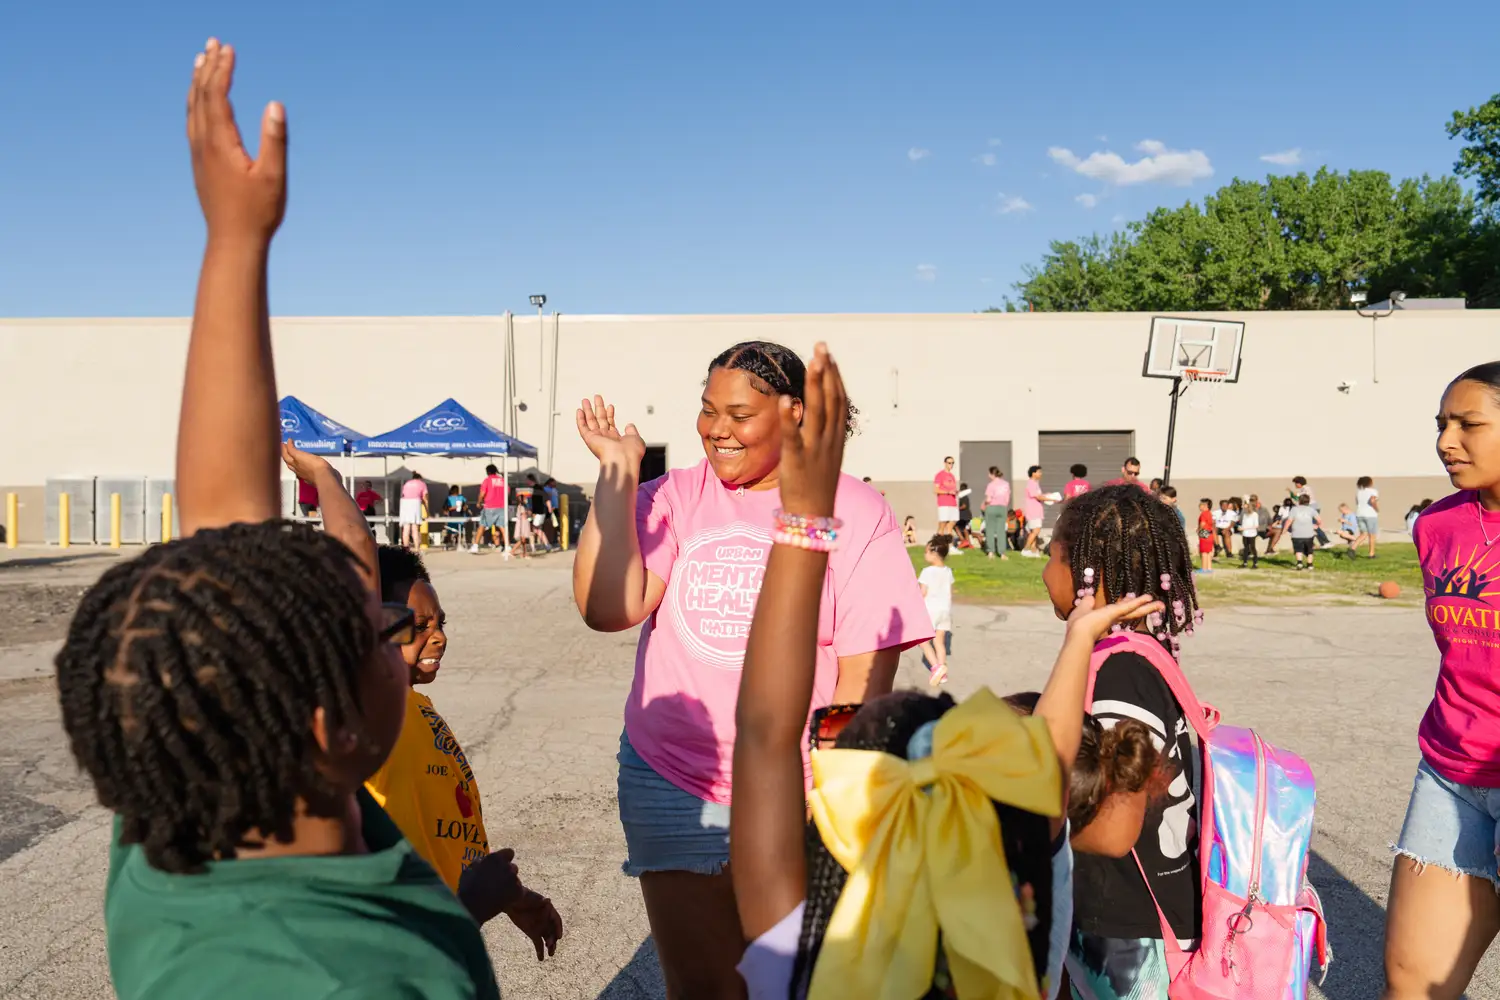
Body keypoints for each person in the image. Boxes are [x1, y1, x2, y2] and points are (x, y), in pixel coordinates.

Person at [54, 41, 500, 998]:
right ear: (327, 720)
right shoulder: (340, 980)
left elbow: (222, 531)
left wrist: (236, 242)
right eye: (381, 630)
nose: (402, 632)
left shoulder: (182, 825)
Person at [727, 342, 1163, 1000]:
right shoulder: (1025, 950)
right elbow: (1049, 755)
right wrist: (1079, 637)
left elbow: (763, 730)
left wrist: (802, 519)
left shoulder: (798, 943)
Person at [571, 340, 931, 998]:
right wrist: (617, 480)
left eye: (739, 413)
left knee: (798, 982)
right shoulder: (677, 496)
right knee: (703, 986)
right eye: (708, 411)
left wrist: (835, 804)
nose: (716, 430)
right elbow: (608, 608)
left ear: (794, 411)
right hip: (672, 776)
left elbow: (863, 679)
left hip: (797, 787)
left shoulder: (855, 511)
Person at [1040, 485, 1204, 998]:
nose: (1044, 573)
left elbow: (1111, 831)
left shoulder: (1118, 675)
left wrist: (1027, 838)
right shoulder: (1139, 655)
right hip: (1127, 919)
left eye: (1051, 557)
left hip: (1126, 930)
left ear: (1091, 573)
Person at [366, 545, 563, 957]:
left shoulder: (420, 709)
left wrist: (512, 896)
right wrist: (324, 480)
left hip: (444, 938)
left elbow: (445, 835)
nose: (439, 636)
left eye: (440, 623)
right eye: (419, 625)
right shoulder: (371, 710)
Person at [1383, 361, 1500, 1000]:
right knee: (1412, 985)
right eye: (1441, 425)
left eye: (1468, 425)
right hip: (1451, 774)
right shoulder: (1437, 526)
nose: (1445, 441)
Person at [917, 535, 955, 686]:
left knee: (923, 641)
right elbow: (950, 591)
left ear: (934, 553)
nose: (925, 555)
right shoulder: (948, 571)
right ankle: (943, 673)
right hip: (944, 610)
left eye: (926, 552)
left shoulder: (927, 571)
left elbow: (922, 593)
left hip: (930, 610)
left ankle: (936, 667)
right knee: (939, 642)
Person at [475, 463, 510, 556]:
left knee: (482, 525)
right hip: (501, 506)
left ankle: (475, 545)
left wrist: (479, 502)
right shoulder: (503, 480)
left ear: (488, 472)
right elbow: (508, 492)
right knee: (502, 526)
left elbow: (482, 493)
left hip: (489, 506)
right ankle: (507, 546)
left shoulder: (487, 480)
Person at [1286, 493, 1323, 571]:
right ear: (1308, 502)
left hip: (1296, 533)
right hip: (1309, 534)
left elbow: (1289, 521)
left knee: (1298, 549)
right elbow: (1319, 520)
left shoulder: (1294, 509)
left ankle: (1299, 563)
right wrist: (1316, 526)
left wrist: (1284, 529)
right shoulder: (1311, 510)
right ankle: (1310, 565)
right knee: (1309, 550)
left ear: (1299, 501)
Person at [982, 465, 1011, 560]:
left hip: (992, 507)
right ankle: (1002, 553)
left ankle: (991, 551)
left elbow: (988, 499)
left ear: (991, 474)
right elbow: (1007, 498)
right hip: (1002, 508)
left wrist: (984, 504)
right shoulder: (1006, 484)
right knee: (1001, 531)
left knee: (990, 530)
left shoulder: (991, 485)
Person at [1022, 465, 1048, 558]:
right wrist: (1051, 499)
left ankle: (1033, 550)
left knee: (1034, 531)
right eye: (1039, 472)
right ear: (1033, 473)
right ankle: (1025, 549)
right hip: (1033, 511)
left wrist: (1046, 495)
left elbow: (1039, 495)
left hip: (1037, 510)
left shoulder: (1035, 483)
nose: (1040, 474)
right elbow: (1037, 496)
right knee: (1036, 530)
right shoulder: (1031, 484)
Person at [399, 472, 428, 551]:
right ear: (419, 478)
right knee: (415, 528)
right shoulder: (422, 484)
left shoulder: (407, 483)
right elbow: (425, 498)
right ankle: (417, 549)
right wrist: (427, 512)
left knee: (406, 528)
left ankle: (405, 549)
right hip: (415, 503)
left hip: (404, 503)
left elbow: (403, 495)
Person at [1355, 475, 1381, 559]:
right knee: (1372, 535)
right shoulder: (1373, 491)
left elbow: (1357, 502)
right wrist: (1376, 508)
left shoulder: (1359, 492)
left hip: (1359, 514)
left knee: (1363, 534)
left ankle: (1352, 548)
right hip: (1370, 515)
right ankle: (1371, 553)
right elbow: (1372, 500)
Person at [934, 456, 959, 539]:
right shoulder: (939, 475)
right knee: (942, 525)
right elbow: (936, 490)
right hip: (944, 503)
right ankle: (936, 545)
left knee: (951, 525)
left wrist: (955, 492)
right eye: (949, 463)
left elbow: (952, 489)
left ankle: (950, 546)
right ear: (945, 463)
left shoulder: (952, 476)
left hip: (953, 503)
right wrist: (948, 492)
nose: (951, 465)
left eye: (952, 463)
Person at [511, 476, 534, 558]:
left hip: (523, 523)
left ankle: (524, 553)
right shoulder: (522, 506)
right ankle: (513, 551)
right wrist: (529, 512)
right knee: (522, 540)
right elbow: (525, 515)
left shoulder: (522, 506)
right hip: (523, 524)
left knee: (523, 540)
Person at [1239, 494, 1262, 569]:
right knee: (1246, 548)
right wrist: (1242, 528)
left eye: (1245, 505)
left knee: (1252, 548)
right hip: (1245, 534)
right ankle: (1245, 563)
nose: (1243, 506)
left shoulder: (1254, 514)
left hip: (1252, 534)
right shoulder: (1245, 514)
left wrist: (1244, 528)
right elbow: (1244, 523)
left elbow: (1256, 526)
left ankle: (1255, 563)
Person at [953, 482, 975, 550]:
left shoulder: (963, 497)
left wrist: (957, 508)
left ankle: (963, 541)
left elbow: (964, 506)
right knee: (964, 529)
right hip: (967, 515)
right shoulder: (965, 496)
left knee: (955, 526)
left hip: (963, 515)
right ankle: (969, 544)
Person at [1196, 498, 1215, 575]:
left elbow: (1203, 523)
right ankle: (1209, 568)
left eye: (1200, 505)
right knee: (1208, 552)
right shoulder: (1209, 513)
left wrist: (1198, 529)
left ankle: (1204, 568)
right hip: (1210, 533)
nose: (1199, 506)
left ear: (1205, 505)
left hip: (1204, 533)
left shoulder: (1203, 514)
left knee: (1203, 552)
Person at [543, 478, 562, 548]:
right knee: (551, 524)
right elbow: (547, 498)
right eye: (554, 483)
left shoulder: (554, 489)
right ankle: (550, 540)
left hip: (555, 508)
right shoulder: (546, 489)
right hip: (551, 509)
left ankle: (555, 539)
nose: (555, 484)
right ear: (549, 483)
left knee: (556, 524)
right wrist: (550, 507)